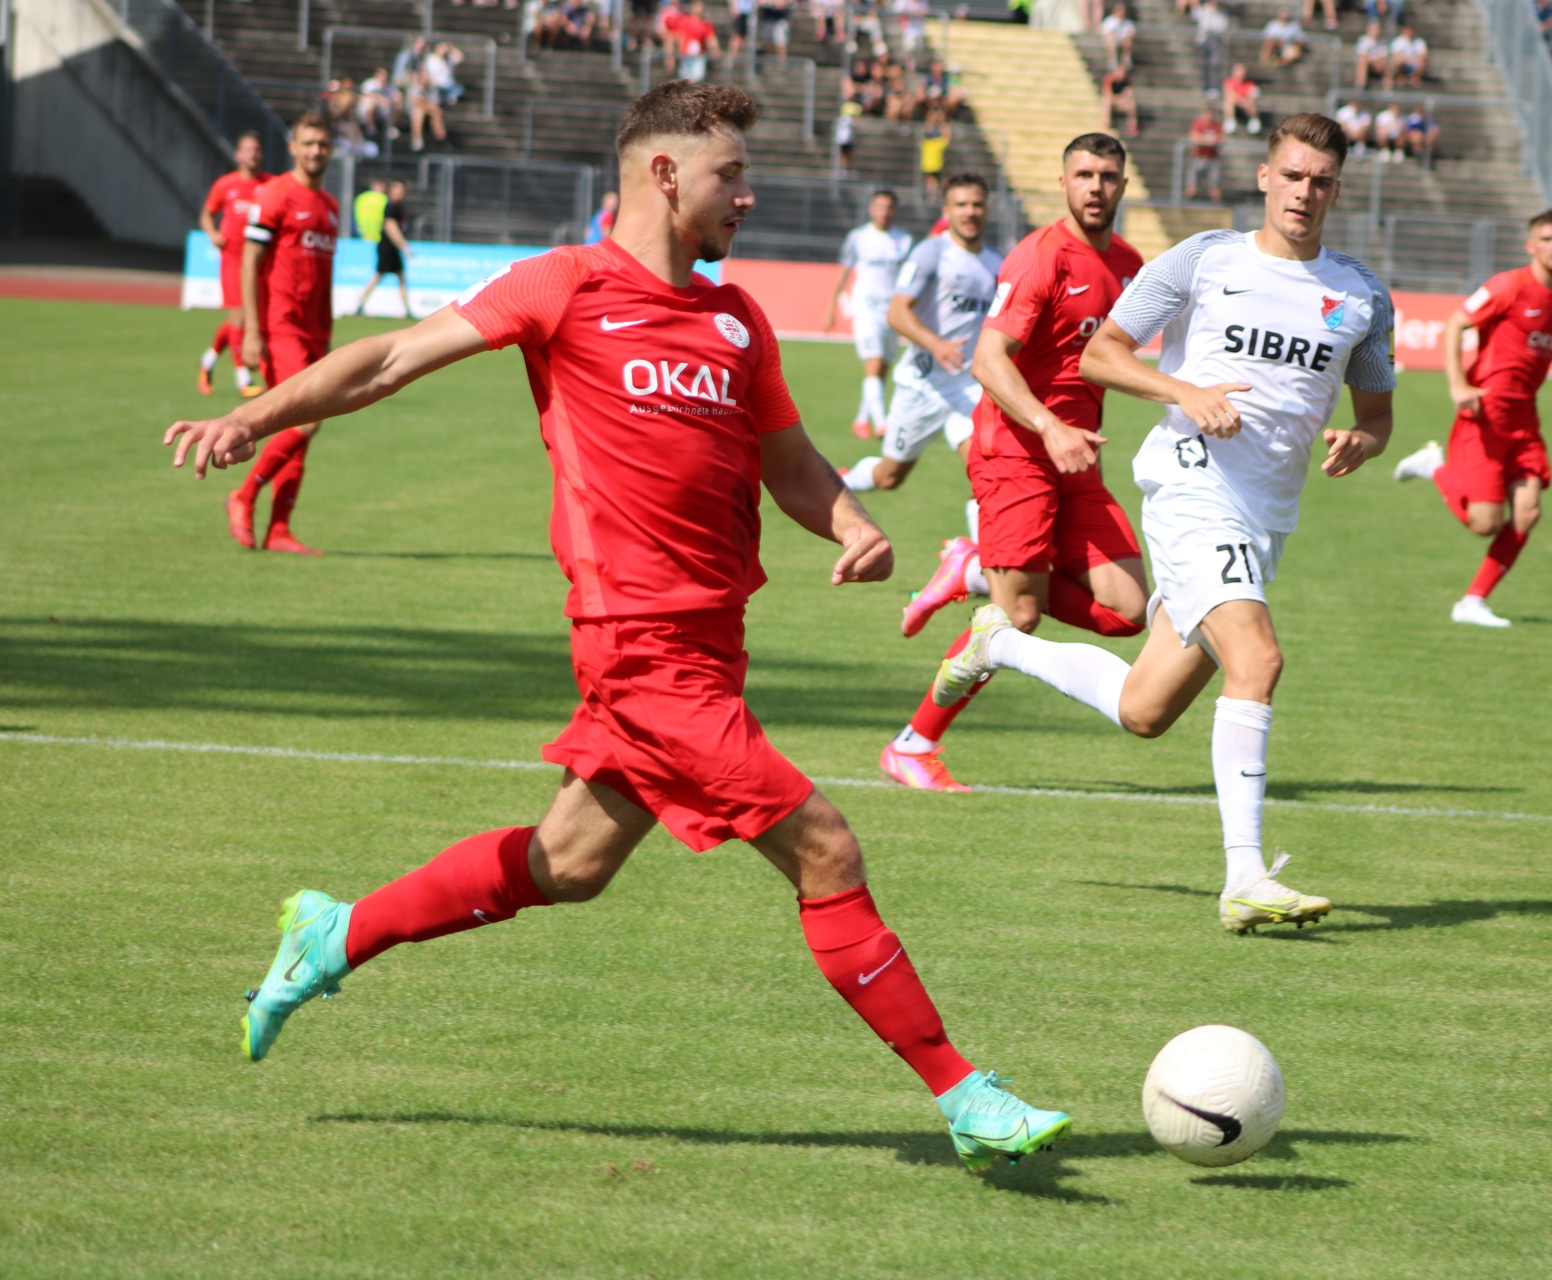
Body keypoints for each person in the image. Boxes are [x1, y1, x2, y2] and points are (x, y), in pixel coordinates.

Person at [163, 81, 1073, 1175]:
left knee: (570, 862)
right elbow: (391, 357)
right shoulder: (566, 284)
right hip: (637, 648)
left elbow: (788, 460)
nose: (746, 194)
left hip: (712, 650)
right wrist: (252, 414)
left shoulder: (737, 321)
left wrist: (850, 521)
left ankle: (334, 933)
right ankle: (965, 1095)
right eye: (731, 174)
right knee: (826, 847)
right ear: (664, 173)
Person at [930, 113, 1395, 934]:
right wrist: (1185, 392)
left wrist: (1365, 438)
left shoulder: (1362, 295)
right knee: (1257, 658)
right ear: (1264, 176)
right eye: (1292, 176)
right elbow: (1101, 354)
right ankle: (1245, 877)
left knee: (1144, 710)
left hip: (1265, 518)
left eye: (1321, 181)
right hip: (1191, 489)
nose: (1304, 193)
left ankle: (998, 644)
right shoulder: (1203, 259)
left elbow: (1378, 411)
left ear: (1337, 188)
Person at [880, 133, 1147, 793]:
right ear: (1062, 183)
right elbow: (987, 359)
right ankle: (913, 745)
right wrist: (1050, 426)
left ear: (1122, 184)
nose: (1095, 187)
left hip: (1077, 458)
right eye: (1083, 174)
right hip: (1017, 450)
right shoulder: (1039, 257)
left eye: (1107, 175)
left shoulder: (1129, 264)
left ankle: (974, 568)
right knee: (1017, 617)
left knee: (1127, 610)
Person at [1394, 210, 1552, 629]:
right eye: (1547, 239)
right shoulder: (1508, 285)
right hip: (1485, 414)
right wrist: (1458, 384)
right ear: (1531, 245)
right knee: (1485, 523)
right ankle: (1435, 467)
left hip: (1524, 422)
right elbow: (1455, 323)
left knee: (1527, 513)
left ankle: (1472, 602)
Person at [838, 174, 1001, 550]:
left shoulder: (997, 263)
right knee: (889, 476)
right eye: (961, 205)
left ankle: (984, 563)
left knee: (988, 473)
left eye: (977, 204)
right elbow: (897, 312)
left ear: (987, 209)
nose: (970, 212)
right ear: (947, 211)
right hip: (922, 385)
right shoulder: (930, 252)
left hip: (968, 390)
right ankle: (844, 481)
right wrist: (936, 344)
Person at [230, 112, 341, 555]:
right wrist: (251, 330)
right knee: (306, 420)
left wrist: (327, 332)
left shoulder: (330, 205)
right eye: (308, 143)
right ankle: (243, 496)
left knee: (303, 426)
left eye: (323, 144)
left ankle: (279, 529)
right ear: (293, 147)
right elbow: (249, 261)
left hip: (315, 332)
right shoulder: (275, 194)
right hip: (280, 326)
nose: (316, 151)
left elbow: (324, 275)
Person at [826, 190, 913, 439]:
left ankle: (862, 419)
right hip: (866, 308)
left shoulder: (904, 240)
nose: (884, 212)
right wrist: (830, 309)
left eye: (888, 207)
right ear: (871, 209)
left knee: (882, 367)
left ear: (894, 211)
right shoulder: (858, 237)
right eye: (879, 207)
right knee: (873, 362)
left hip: (891, 311)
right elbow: (843, 273)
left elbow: (908, 278)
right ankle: (882, 423)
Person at [195, 131, 271, 399]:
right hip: (232, 259)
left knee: (244, 318)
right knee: (239, 316)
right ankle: (243, 379)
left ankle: (207, 362)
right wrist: (212, 234)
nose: (253, 154)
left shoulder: (270, 184)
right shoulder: (226, 184)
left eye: (257, 150)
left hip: (260, 262)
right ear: (238, 154)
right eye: (248, 150)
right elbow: (206, 214)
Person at [355, 180, 415, 319]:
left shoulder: (399, 207)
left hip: (393, 248)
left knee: (399, 276)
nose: (400, 194)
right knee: (379, 275)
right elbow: (391, 227)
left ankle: (407, 309)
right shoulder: (391, 208)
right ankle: (359, 304)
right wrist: (404, 246)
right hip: (387, 248)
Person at [1187, 104, 1225, 198]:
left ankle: (1215, 196)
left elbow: (1222, 138)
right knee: (1193, 178)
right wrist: (1210, 141)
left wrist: (1205, 140)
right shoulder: (1199, 123)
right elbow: (1194, 137)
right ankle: (1191, 194)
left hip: (1213, 157)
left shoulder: (1217, 125)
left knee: (1215, 180)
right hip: (1199, 156)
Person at [1195, 0, 1230, 98]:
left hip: (1215, 41)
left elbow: (1222, 27)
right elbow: (1202, 24)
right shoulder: (1204, 10)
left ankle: (1214, 86)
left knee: (1214, 64)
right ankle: (1204, 86)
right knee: (1203, 64)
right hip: (1203, 40)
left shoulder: (1222, 13)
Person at [676, 0, 717, 80]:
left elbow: (711, 38)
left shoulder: (706, 24)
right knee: (685, 77)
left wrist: (715, 50)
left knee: (697, 77)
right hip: (686, 54)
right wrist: (680, 49)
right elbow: (680, 36)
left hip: (699, 55)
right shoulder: (686, 21)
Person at [1103, 60, 1141, 139]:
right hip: (1113, 102)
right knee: (1106, 101)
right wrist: (1119, 98)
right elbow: (1107, 94)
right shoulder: (1110, 79)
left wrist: (1125, 96)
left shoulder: (1127, 80)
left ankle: (1132, 126)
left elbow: (1129, 93)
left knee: (1131, 103)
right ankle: (1107, 124)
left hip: (1121, 102)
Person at [1223, 63, 1262, 134]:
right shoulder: (1229, 81)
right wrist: (1240, 99)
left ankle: (1253, 120)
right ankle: (1230, 120)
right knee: (1229, 100)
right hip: (1235, 102)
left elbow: (1251, 94)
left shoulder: (1249, 83)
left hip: (1246, 102)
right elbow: (1230, 92)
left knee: (1252, 101)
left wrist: (1246, 100)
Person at [920, 108, 950, 195]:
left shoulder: (940, 133)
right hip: (929, 162)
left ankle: (933, 195)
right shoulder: (927, 131)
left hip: (935, 163)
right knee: (931, 181)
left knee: (933, 181)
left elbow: (946, 136)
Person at [1354, 22, 1389, 89]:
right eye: (1374, 29)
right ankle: (1361, 85)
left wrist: (1379, 63)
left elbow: (1383, 56)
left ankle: (1387, 89)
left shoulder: (1382, 42)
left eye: (1377, 29)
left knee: (1386, 65)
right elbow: (1363, 56)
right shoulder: (1363, 40)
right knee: (1363, 63)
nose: (1376, 31)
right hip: (1369, 64)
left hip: (1379, 65)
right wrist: (1374, 62)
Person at [1102, 2, 1137, 66]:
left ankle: (1126, 59)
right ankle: (1112, 60)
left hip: (1123, 40)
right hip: (1112, 40)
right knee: (1110, 41)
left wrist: (1124, 39)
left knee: (1128, 42)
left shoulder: (1128, 22)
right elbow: (1107, 33)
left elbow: (1132, 33)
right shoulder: (1109, 21)